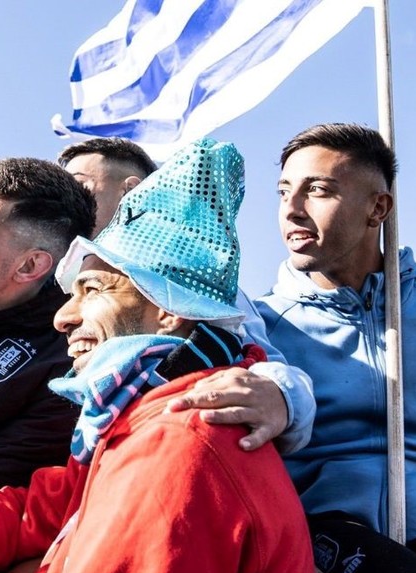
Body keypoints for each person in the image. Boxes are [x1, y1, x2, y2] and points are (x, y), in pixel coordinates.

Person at [0, 138, 315, 573]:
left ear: (167, 311)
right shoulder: (135, 424)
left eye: (92, 289)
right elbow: (41, 515)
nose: (64, 317)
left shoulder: (180, 445)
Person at [256, 123, 416, 573]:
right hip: (324, 530)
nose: (292, 210)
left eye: (317, 190)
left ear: (378, 207)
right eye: (283, 192)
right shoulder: (258, 328)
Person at [58, 137, 315, 453]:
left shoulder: (199, 285)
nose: (66, 318)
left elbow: (259, 367)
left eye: (80, 190)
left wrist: (281, 394)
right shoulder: (38, 282)